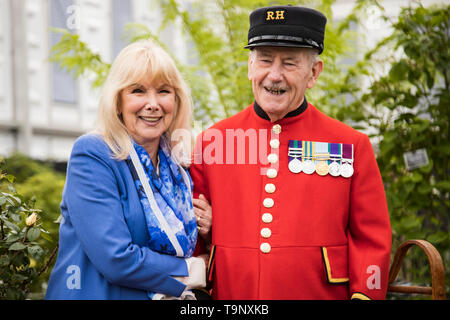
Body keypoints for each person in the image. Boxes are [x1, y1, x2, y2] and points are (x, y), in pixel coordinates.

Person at [190, 5, 392, 300]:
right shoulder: (212, 142)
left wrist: (365, 296)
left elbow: (372, 240)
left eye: (289, 63)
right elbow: (192, 236)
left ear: (313, 73)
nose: (274, 75)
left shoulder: (351, 145)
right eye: (265, 60)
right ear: (250, 67)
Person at [46, 39, 209, 300]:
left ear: (176, 100)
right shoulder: (94, 154)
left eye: (164, 91)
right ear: (118, 100)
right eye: (138, 91)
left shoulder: (179, 165)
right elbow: (116, 258)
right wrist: (195, 268)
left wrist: (209, 225)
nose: (153, 103)